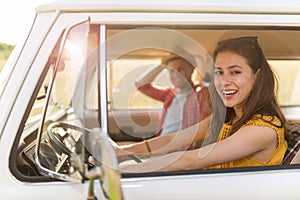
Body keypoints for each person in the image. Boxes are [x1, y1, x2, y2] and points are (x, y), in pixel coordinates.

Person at [116, 36, 289, 173]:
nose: (224, 82)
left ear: (257, 76)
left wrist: (122, 170)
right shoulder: (226, 118)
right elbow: (171, 139)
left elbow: (190, 161)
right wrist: (121, 151)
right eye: (219, 72)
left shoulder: (262, 129)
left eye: (235, 72)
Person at [135, 51, 212, 140]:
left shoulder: (200, 94)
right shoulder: (169, 94)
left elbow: (205, 126)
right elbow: (141, 85)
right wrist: (162, 65)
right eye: (171, 71)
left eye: (181, 69)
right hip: (160, 144)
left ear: (191, 69)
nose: (176, 74)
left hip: (181, 149)